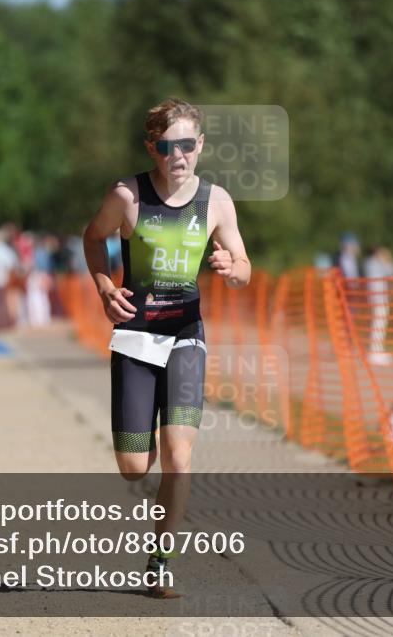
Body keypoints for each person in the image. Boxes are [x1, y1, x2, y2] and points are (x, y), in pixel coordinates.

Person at [82, 98, 251, 599]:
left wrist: (230, 267)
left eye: (186, 144)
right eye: (165, 145)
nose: (177, 155)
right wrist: (104, 287)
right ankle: (146, 448)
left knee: (180, 456)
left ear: (200, 145)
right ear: (151, 148)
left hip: (186, 336)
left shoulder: (216, 201)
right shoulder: (127, 195)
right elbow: (93, 238)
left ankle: (160, 562)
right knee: (136, 465)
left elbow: (244, 265)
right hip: (136, 336)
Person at [364, 245, 393, 365]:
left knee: (374, 323)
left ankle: (372, 350)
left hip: (373, 296)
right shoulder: (377, 263)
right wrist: (388, 258)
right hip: (379, 296)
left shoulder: (368, 262)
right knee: (379, 323)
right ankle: (375, 352)